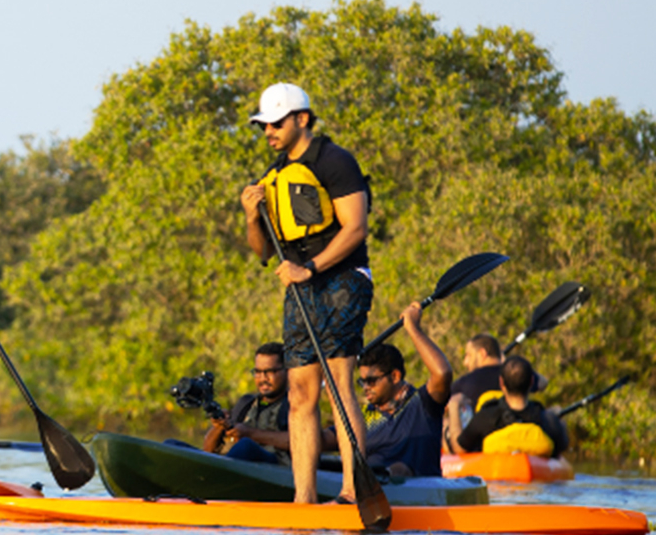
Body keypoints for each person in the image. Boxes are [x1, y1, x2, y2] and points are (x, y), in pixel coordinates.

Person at [240, 83, 373, 504]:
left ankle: (353, 491)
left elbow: (356, 227)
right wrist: (250, 217)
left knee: (338, 385)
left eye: (276, 123)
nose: (269, 132)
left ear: (301, 119)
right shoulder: (272, 175)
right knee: (300, 393)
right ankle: (304, 498)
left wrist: (310, 267)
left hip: (342, 280)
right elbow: (261, 252)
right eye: (264, 126)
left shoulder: (336, 162)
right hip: (300, 287)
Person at [325, 302, 452, 479]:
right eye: (362, 382)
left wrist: (412, 328)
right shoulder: (361, 418)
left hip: (418, 494)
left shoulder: (423, 404)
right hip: (370, 486)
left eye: (371, 381)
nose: (366, 388)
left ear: (395, 376)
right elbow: (319, 439)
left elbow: (442, 373)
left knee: (399, 469)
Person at [454, 355, 569, 458]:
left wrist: (454, 407)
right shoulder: (549, 420)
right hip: (537, 479)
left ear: (501, 383)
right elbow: (562, 448)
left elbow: (460, 449)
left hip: (498, 478)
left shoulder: (485, 418)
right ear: (531, 382)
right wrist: (561, 422)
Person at [202, 342, 292, 464]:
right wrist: (219, 427)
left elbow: (302, 441)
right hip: (230, 463)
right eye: (258, 372)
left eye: (270, 372)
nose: (263, 378)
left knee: (246, 445)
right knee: (171, 444)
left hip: (275, 468)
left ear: (287, 371)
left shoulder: (296, 404)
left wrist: (250, 433)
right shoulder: (246, 403)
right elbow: (207, 450)